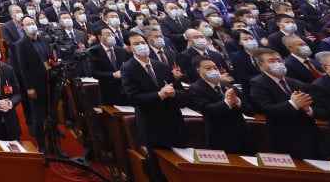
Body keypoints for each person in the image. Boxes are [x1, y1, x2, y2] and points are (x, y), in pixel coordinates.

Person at [121, 33, 188, 182]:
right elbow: (132, 97)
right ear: (129, 48)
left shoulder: (161, 65)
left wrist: (173, 93)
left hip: (175, 122)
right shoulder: (128, 68)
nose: (142, 46)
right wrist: (159, 95)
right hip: (152, 124)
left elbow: (181, 93)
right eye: (136, 44)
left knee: (181, 166)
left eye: (143, 42)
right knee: (160, 169)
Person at [248, 47, 323, 159]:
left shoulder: (296, 83)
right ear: (261, 65)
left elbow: (318, 108)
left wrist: (308, 109)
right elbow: (266, 109)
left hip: (310, 134)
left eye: (279, 60)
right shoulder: (258, 83)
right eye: (272, 61)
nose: (278, 63)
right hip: (285, 136)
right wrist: (293, 104)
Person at [186, 56, 253, 154]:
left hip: (241, 134)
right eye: (208, 68)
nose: (213, 70)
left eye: (215, 68)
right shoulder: (196, 89)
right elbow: (207, 109)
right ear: (199, 71)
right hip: (218, 136)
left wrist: (237, 101)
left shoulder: (229, 86)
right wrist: (227, 102)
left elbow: (250, 111)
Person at [11, 16, 52, 151]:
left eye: (32, 23)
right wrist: (29, 87)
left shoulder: (44, 40)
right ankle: (41, 145)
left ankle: (52, 142)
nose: (31, 25)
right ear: (23, 27)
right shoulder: (21, 44)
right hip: (34, 84)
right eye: (27, 24)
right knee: (38, 116)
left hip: (48, 81)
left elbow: (48, 57)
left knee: (50, 113)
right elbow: (23, 68)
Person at [87, 26, 130, 105]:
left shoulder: (121, 50)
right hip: (107, 90)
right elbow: (94, 72)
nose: (111, 36)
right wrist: (113, 75)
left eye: (112, 34)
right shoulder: (93, 51)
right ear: (100, 37)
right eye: (108, 34)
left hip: (124, 90)